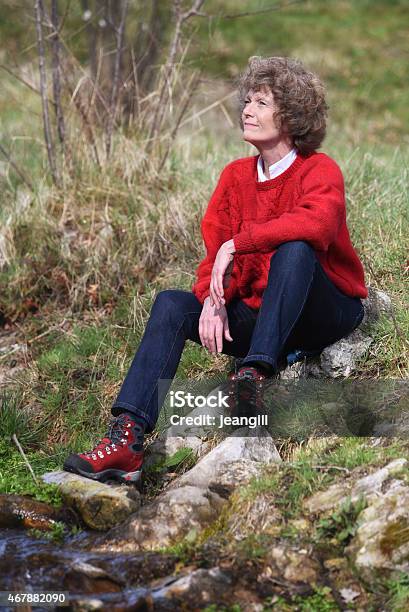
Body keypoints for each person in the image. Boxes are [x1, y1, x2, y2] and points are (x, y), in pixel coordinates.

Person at [63, 56, 368, 485]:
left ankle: (252, 377)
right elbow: (213, 259)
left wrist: (239, 244)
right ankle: (127, 441)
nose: (246, 110)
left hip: (323, 312)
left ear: (293, 114)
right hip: (263, 315)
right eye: (247, 100)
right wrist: (212, 298)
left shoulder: (319, 169)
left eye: (261, 103)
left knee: (294, 248)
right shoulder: (234, 178)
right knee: (172, 303)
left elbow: (316, 224)